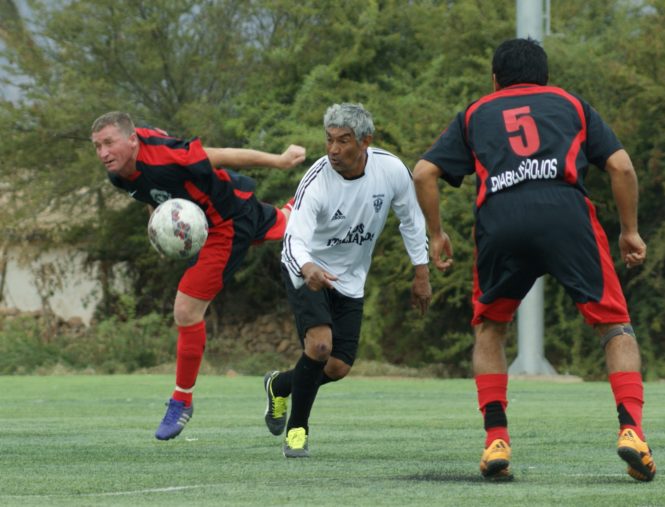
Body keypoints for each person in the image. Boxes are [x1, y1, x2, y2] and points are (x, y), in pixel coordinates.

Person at [412, 38, 655, 482]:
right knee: (614, 325)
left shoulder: (475, 113)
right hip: (566, 217)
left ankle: (496, 441)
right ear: (545, 76)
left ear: (494, 78)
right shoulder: (571, 105)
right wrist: (630, 230)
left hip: (500, 221)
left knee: (490, 327)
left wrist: (436, 233)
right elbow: (621, 167)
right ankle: (632, 431)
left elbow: (423, 172)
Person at [90, 111, 306, 440]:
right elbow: (153, 195)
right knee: (290, 221)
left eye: (109, 143)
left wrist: (279, 161)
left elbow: (221, 156)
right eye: (97, 146)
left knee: (186, 311)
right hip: (229, 208)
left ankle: (182, 401)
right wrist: (159, 227)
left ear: (132, 139)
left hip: (227, 221)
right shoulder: (119, 175)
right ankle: (318, 189)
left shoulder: (165, 157)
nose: (103, 153)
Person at [264, 103, 431, 458]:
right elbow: (293, 239)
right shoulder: (317, 178)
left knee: (337, 367)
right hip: (307, 269)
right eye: (329, 140)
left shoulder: (390, 170)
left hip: (351, 278)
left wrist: (421, 271)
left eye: (343, 140)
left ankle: (279, 385)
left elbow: (411, 220)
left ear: (365, 141)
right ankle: (297, 430)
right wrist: (308, 268)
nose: (334, 149)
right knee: (320, 347)